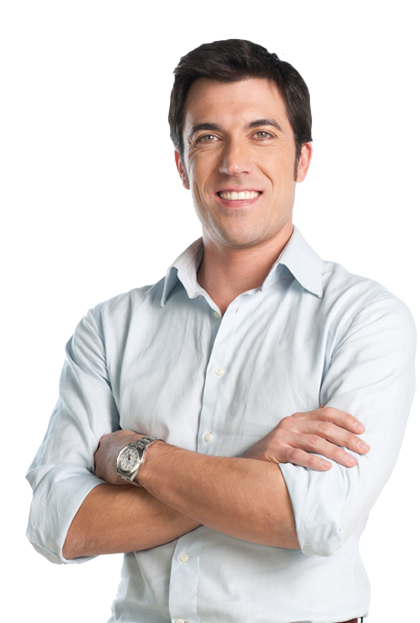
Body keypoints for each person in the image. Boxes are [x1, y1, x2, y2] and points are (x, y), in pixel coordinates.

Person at [26, 38, 416, 623]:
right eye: (208, 137)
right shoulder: (110, 329)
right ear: (182, 165)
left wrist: (137, 458)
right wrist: (255, 464)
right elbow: (61, 525)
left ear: (302, 160)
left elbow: (315, 518)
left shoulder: (365, 319)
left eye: (262, 134)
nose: (235, 162)